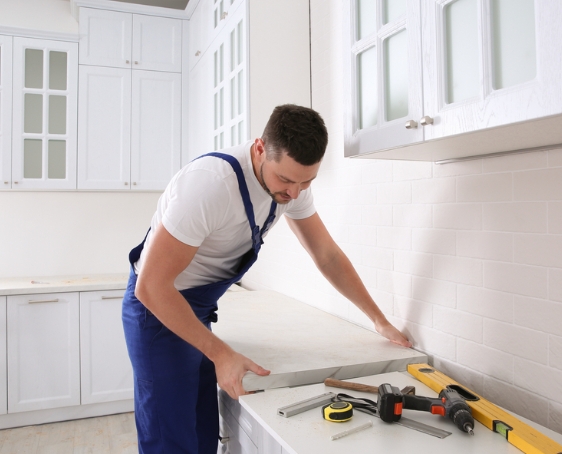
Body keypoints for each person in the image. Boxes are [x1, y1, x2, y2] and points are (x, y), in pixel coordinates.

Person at [122, 104, 412, 453]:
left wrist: (379, 321)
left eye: (307, 181)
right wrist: (221, 354)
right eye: (286, 180)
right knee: (170, 441)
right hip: (157, 312)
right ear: (260, 149)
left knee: (199, 434)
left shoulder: (294, 188)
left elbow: (328, 255)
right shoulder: (210, 185)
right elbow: (151, 286)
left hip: (195, 309)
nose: (294, 193)